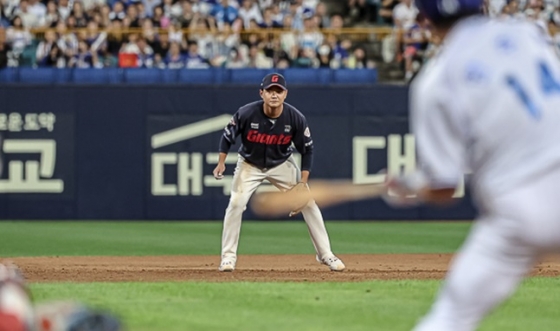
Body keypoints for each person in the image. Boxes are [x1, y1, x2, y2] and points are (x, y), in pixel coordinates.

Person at [384, 0, 560, 330]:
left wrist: (408, 187)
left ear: (424, 20)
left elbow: (444, 187)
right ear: (482, 7)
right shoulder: (528, 32)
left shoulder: (434, 82)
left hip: (519, 212)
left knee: (450, 317)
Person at [213, 73, 346, 273]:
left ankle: (326, 254)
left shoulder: (295, 118)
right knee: (236, 203)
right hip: (250, 164)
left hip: (282, 164)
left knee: (308, 202)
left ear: (285, 94)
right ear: (262, 93)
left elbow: (307, 149)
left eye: (278, 91)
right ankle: (228, 258)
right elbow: (227, 137)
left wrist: (302, 183)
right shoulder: (247, 112)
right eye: (270, 91)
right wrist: (221, 162)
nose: (274, 95)